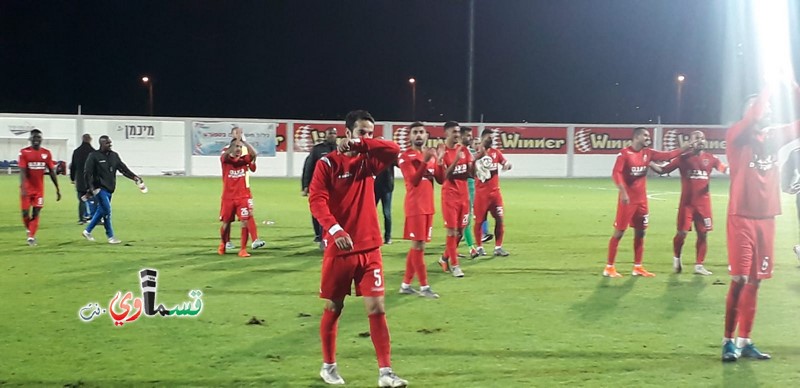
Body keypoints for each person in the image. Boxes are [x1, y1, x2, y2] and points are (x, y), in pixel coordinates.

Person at [309, 110, 407, 387]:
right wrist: (334, 229)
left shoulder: (369, 160)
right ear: (348, 131)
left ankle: (385, 373)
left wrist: (361, 144)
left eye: (369, 132)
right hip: (340, 248)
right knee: (334, 306)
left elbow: (394, 148)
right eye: (361, 131)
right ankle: (328, 366)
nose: (366, 136)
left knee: (376, 308)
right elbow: (317, 200)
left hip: (370, 247)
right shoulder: (327, 163)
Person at [721, 82, 800, 362]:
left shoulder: (774, 136)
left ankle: (746, 341)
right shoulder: (737, 135)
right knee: (740, 279)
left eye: (768, 106)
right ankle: (728, 341)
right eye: (760, 106)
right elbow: (753, 115)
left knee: (756, 282)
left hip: (767, 218)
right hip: (741, 216)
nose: (765, 109)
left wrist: (791, 86)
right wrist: (768, 84)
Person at [603, 127, 693, 278]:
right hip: (627, 201)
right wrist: (623, 192)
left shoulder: (648, 153)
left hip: (642, 202)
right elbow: (616, 173)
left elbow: (667, 156)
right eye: (645, 135)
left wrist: (683, 148)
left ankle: (637, 267)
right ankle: (609, 267)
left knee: (641, 232)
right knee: (619, 232)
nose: (648, 137)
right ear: (637, 137)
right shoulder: (625, 154)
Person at [659, 130, 727, 276]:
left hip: (704, 205)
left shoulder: (711, 158)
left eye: (702, 138)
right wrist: (648, 162)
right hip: (687, 205)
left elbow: (723, 169)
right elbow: (663, 170)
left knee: (703, 234)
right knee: (682, 233)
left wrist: (734, 168)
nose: (700, 141)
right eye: (697, 138)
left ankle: (699, 265)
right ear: (690, 141)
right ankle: (677, 258)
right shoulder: (683, 158)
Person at [397, 122, 440, 298]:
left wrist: (441, 160)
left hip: (428, 206)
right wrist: (425, 161)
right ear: (410, 136)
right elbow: (413, 180)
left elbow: (441, 179)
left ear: (426, 135)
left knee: (418, 247)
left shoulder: (429, 155)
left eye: (421, 132)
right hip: (415, 207)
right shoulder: (404, 156)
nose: (419, 135)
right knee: (418, 246)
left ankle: (405, 285)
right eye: (415, 132)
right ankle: (424, 287)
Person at [81, 136, 141, 244]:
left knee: (101, 211)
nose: (110, 145)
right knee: (107, 211)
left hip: (110, 188)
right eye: (107, 143)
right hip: (99, 188)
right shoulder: (94, 156)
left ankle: (87, 231)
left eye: (110, 143)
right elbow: (87, 173)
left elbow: (123, 169)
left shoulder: (114, 156)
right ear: (101, 144)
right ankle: (110, 236)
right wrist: (91, 189)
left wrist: (134, 177)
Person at [435, 121, 473, 278]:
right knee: (452, 231)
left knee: (460, 232)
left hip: (464, 196)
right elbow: (443, 177)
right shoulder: (442, 150)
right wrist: (456, 159)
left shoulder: (463, 149)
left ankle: (444, 258)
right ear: (446, 133)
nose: (457, 134)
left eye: (458, 132)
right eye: (454, 132)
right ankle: (455, 265)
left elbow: (469, 172)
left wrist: (475, 161)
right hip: (450, 196)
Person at [219, 126, 265, 254]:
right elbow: (227, 156)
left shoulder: (244, 156)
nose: (239, 149)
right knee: (226, 223)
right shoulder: (225, 155)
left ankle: (244, 248)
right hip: (228, 197)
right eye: (236, 133)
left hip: (243, 195)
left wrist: (243, 143)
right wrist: (235, 145)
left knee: (245, 219)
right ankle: (224, 243)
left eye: (240, 133)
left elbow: (254, 157)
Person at [472, 128, 513, 257]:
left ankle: (498, 247)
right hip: (481, 194)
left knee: (500, 219)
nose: (491, 140)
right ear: (483, 138)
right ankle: (479, 247)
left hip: (495, 194)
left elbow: (506, 163)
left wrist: (508, 165)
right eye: (489, 137)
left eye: (492, 138)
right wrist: (476, 159)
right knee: (479, 221)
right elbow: (470, 171)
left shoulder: (496, 153)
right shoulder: (476, 154)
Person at [18, 129, 62, 246]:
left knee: (36, 213)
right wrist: (23, 188)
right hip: (26, 189)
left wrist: (57, 188)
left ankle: (31, 237)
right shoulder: (24, 152)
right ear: (30, 139)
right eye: (34, 137)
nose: (36, 140)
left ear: (41, 139)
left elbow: (52, 172)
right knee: (24, 213)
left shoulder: (46, 153)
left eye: (38, 138)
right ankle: (29, 229)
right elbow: (22, 171)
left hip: (39, 190)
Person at [302, 127, 338, 249]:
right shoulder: (318, 150)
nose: (332, 135)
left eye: (334, 133)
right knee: (317, 211)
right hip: (318, 187)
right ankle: (319, 234)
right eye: (330, 133)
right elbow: (308, 167)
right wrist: (305, 185)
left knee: (331, 212)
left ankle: (326, 237)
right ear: (325, 135)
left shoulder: (340, 149)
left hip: (335, 188)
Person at [70, 133, 95, 224]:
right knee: (93, 199)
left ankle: (82, 218)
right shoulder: (93, 152)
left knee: (82, 199)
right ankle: (93, 217)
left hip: (80, 179)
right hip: (90, 180)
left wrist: (72, 178)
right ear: (90, 139)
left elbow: (73, 166)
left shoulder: (76, 151)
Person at [780, 147, 800, 261]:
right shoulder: (796, 153)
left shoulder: (796, 152)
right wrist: (786, 186)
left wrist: (786, 186)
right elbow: (786, 170)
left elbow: (786, 170)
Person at [374, 159, 395, 245]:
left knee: (387, 213)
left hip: (387, 188)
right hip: (376, 187)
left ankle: (388, 237)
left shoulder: (390, 156)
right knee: (371, 213)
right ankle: (373, 235)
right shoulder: (375, 156)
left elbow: (398, 163)